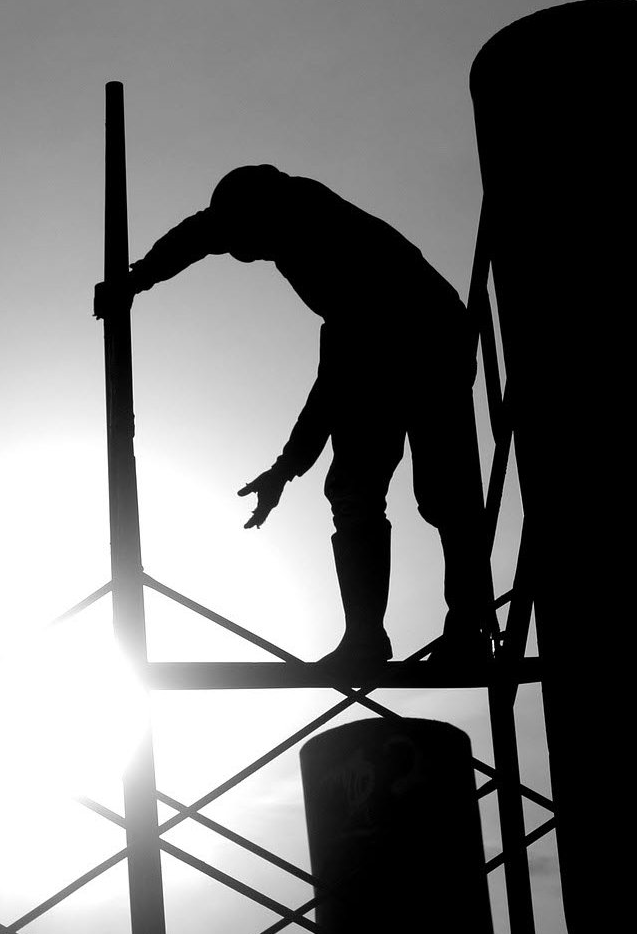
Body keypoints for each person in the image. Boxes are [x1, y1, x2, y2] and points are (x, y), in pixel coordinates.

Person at [95, 164, 492, 663]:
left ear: (263, 219)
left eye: (247, 245)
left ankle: (465, 633)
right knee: (355, 490)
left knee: (442, 492)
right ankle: (369, 637)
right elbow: (200, 234)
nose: (249, 255)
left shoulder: (325, 238)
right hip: (376, 341)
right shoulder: (273, 217)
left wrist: (287, 466)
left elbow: (335, 383)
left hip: (429, 339)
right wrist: (137, 279)